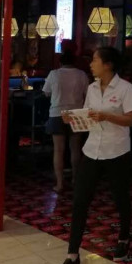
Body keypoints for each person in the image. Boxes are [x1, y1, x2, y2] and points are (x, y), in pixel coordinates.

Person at [53, 47, 132, 264]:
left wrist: (107, 116)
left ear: (108, 64)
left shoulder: (125, 88)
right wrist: (73, 118)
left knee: (120, 198)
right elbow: (89, 117)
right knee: (80, 201)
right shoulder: (91, 88)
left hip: (117, 151)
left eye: (95, 60)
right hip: (91, 150)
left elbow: (130, 120)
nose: (91, 64)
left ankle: (124, 239)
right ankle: (72, 255)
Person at [42, 43, 90, 193]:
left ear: (60, 62)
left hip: (57, 113)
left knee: (58, 150)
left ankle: (60, 183)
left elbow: (46, 92)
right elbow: (87, 94)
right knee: (75, 149)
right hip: (76, 113)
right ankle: (76, 179)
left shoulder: (54, 74)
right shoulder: (82, 74)